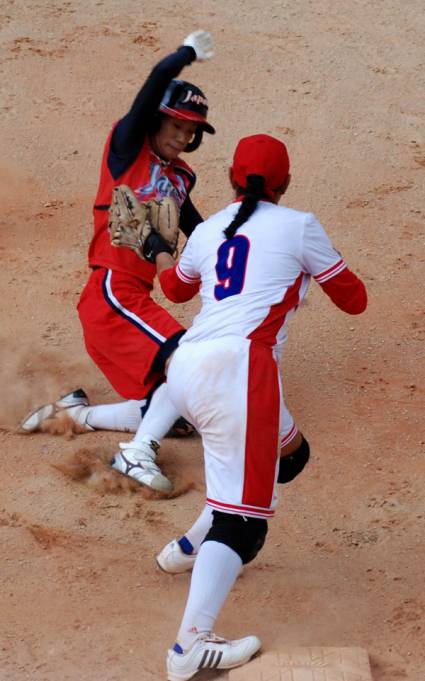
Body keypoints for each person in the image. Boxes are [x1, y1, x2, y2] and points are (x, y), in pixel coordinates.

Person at [124, 133, 367, 679]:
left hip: (187, 368)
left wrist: (158, 245)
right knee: (245, 526)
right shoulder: (298, 224)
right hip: (240, 374)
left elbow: (177, 289)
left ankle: (189, 546)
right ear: (286, 183)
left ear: (232, 179)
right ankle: (190, 646)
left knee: (290, 457)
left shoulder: (209, 230)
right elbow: (356, 301)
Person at [20, 31, 215, 492]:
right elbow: (153, 84)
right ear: (156, 121)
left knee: (179, 410)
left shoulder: (181, 176)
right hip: (110, 292)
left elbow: (202, 234)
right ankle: (135, 456)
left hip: (131, 301)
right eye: (177, 127)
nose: (184, 138)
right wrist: (183, 55)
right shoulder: (126, 149)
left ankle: (75, 414)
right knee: (187, 364)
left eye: (192, 132)